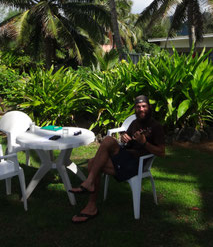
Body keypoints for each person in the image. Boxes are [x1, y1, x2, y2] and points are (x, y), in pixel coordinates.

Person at [69, 95, 165, 223]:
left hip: (137, 164)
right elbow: (127, 141)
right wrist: (124, 138)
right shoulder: (135, 123)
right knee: (103, 148)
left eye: (144, 106)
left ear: (149, 107)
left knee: (93, 162)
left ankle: (90, 200)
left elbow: (162, 152)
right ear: (135, 109)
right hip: (126, 156)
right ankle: (90, 191)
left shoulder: (156, 127)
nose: (141, 109)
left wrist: (144, 143)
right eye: (138, 107)